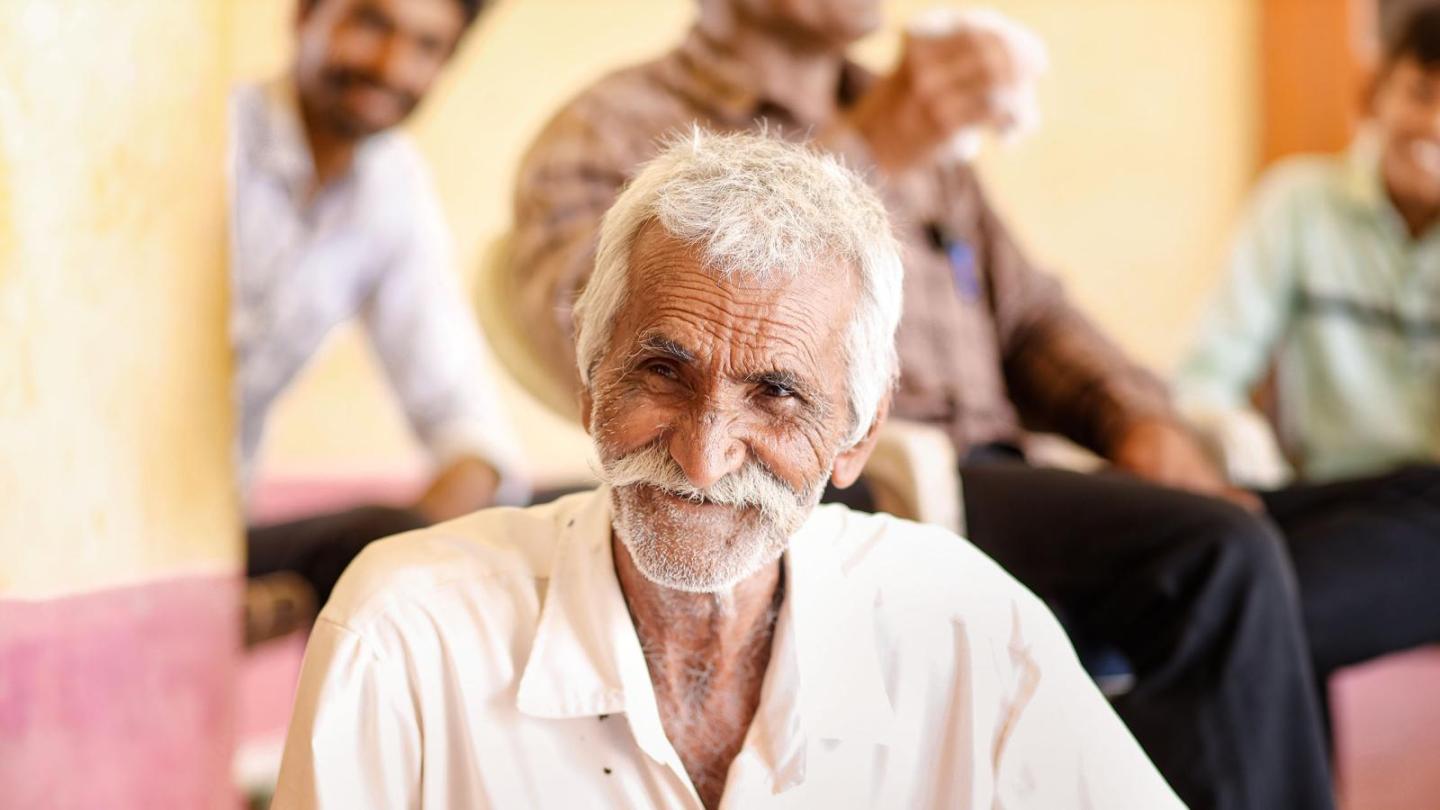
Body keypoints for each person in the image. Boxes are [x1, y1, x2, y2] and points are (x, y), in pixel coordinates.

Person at [507, 2, 1337, 807]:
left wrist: (1140, 420)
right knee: (1223, 562)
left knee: (1368, 520)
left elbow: (1032, 314)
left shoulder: (930, 133)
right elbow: (598, 337)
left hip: (1026, 474)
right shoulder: (612, 124)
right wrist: (872, 146)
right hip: (872, 482)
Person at [271, 131, 1184, 810]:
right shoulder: (405, 637)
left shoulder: (964, 632)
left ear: (858, 435)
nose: (704, 457)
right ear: (591, 386)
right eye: (663, 370)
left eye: (778, 393)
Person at [1177, 5, 1440, 710]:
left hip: (1430, 507)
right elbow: (1207, 374)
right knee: (1220, 560)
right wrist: (1229, 432)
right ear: (1376, 91)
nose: (1435, 125)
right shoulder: (1298, 205)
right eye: (1422, 93)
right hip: (1320, 497)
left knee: (1251, 617)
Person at [230, 0, 525, 628]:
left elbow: (460, 416)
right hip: (89, 526)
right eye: (371, 24)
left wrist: (418, 553)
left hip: (221, 536)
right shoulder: (208, 140)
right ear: (306, 15)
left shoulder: (392, 190)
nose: (392, 66)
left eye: (426, 46)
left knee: (565, 516)